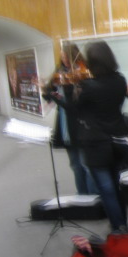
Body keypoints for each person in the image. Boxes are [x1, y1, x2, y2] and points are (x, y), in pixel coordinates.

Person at [74, 40, 128, 231]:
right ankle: (122, 225)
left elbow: (77, 110)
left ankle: (119, 228)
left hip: (96, 144)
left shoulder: (88, 87)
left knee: (106, 190)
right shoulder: (120, 80)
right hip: (118, 141)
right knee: (115, 185)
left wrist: (66, 91)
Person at [42, 43, 96, 195]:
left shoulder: (83, 72)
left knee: (86, 164)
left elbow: (78, 103)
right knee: (75, 164)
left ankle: (93, 198)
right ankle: (82, 195)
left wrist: (68, 88)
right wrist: (45, 90)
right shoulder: (59, 73)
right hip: (65, 123)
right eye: (62, 57)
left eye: (67, 56)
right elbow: (49, 94)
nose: (64, 60)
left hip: (80, 123)